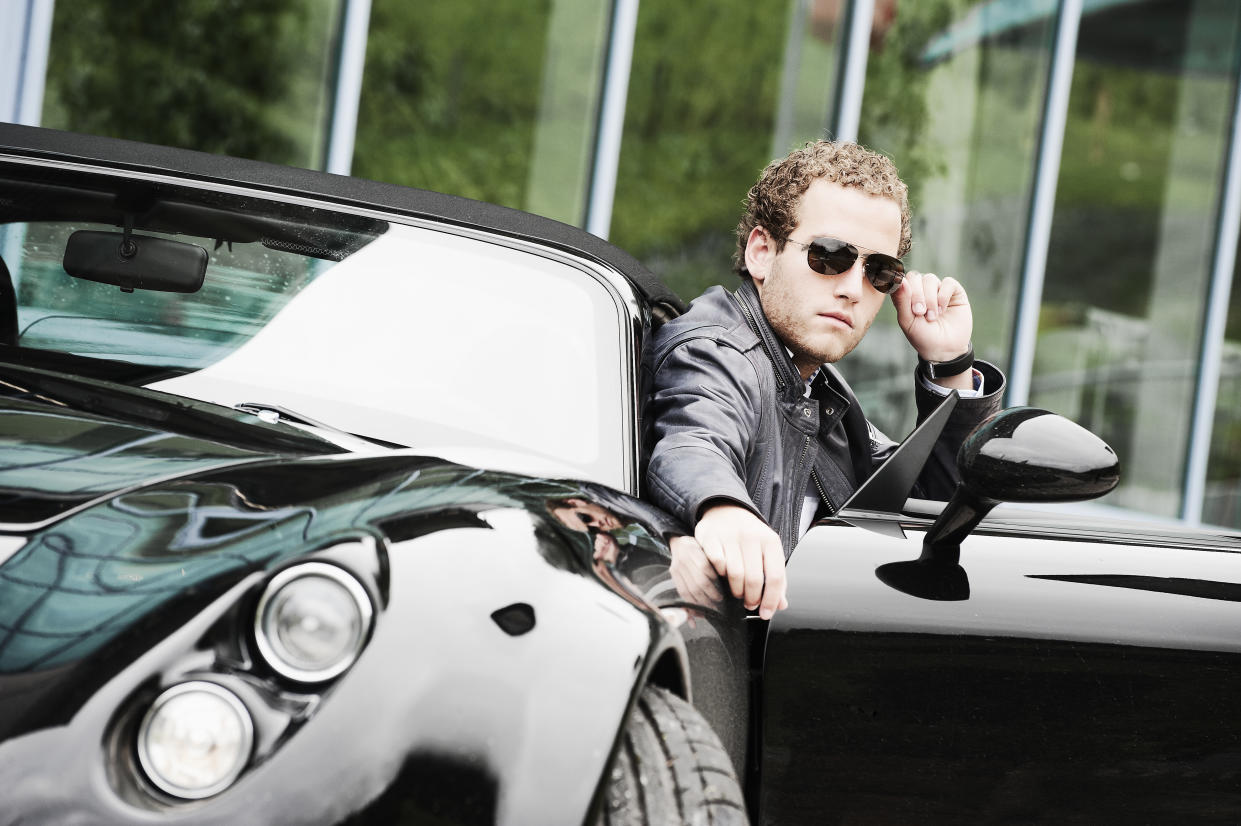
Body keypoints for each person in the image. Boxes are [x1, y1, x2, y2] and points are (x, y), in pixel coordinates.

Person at [641, 140, 1004, 620]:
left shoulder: (820, 392)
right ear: (762, 252)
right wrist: (724, 510)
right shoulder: (720, 353)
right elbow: (697, 435)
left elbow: (926, 513)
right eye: (829, 256)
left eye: (879, 270)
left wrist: (950, 363)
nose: (853, 288)